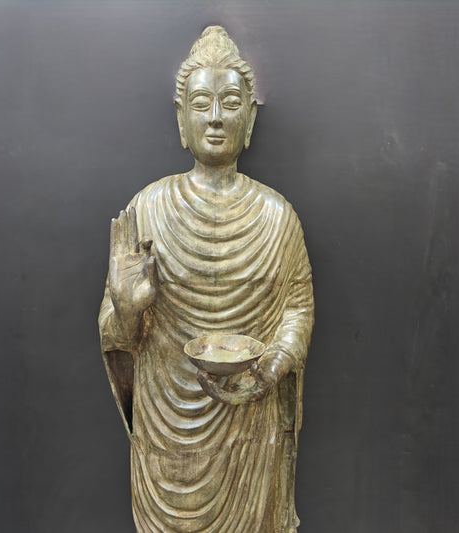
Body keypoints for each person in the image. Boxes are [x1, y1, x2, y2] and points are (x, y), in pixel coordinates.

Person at [99, 26, 314, 532]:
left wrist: (272, 367)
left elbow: (298, 308)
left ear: (249, 120)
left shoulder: (277, 217)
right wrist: (126, 310)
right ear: (182, 121)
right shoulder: (148, 209)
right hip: (166, 428)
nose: (216, 117)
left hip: (250, 424)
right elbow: (118, 331)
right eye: (201, 104)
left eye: (230, 103)